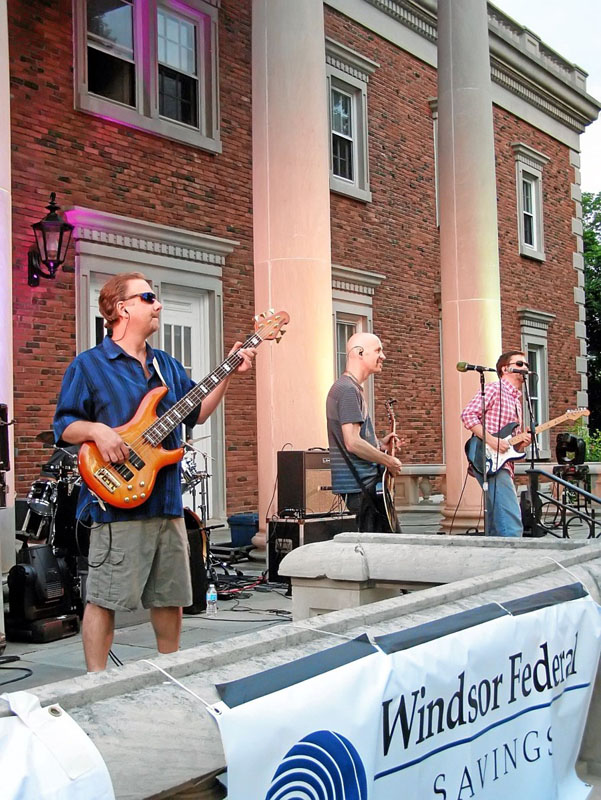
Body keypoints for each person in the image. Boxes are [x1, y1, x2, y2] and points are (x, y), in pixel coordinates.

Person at [53, 272, 255, 671]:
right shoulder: (89, 366)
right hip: (116, 505)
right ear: (122, 308)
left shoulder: (166, 365)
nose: (157, 304)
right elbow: (65, 425)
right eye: (148, 298)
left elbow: (198, 412)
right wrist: (97, 431)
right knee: (104, 598)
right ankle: (95, 683)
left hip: (166, 500)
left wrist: (230, 370)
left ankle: (170, 672)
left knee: (170, 596)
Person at [326, 332, 402, 531]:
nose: (383, 356)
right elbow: (352, 442)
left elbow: (354, 439)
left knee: (387, 543)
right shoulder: (347, 390)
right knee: (385, 544)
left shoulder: (349, 388)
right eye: (378, 350)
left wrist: (380, 444)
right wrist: (388, 461)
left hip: (363, 486)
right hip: (362, 486)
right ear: (359, 353)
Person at [461, 350, 532, 537]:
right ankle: (513, 551)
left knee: (497, 520)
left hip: (502, 462)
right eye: (519, 364)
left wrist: (521, 444)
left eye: (526, 365)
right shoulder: (494, 389)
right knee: (510, 520)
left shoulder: (517, 402)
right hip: (487, 458)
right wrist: (492, 440)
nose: (525, 367)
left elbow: (509, 444)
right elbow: (468, 415)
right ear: (505, 369)